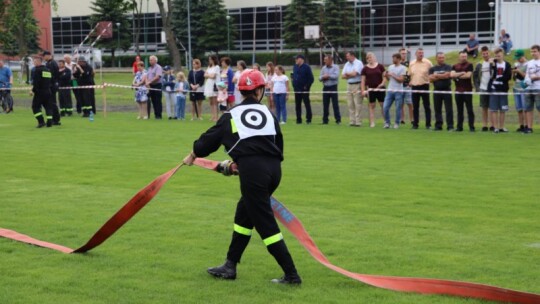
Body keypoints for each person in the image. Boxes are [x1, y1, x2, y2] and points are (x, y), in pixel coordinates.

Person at [182, 69, 301, 285]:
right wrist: (243, 163)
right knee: (243, 216)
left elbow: (206, 143)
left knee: (266, 225)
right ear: (260, 90)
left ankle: (292, 275)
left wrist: (193, 155)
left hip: (254, 174)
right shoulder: (269, 114)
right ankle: (230, 265)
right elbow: (276, 145)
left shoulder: (231, 115)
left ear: (241, 91)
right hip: (274, 170)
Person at [488, 48, 512, 133]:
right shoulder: (492, 64)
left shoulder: (507, 64)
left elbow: (508, 77)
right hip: (494, 89)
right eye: (496, 55)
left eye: (499, 55)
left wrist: (498, 79)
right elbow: (492, 76)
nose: (497, 57)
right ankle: (495, 127)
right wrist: (493, 65)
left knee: (503, 109)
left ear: (503, 55)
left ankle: (502, 127)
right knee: (494, 109)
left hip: (503, 89)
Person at [428, 52, 454, 131]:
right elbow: (431, 79)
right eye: (440, 58)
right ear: (436, 58)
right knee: (437, 109)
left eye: (443, 57)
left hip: (447, 90)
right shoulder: (432, 69)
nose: (441, 59)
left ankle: (450, 126)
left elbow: (447, 75)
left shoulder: (448, 66)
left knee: (449, 109)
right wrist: (442, 76)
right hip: (437, 91)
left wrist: (436, 75)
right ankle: (438, 125)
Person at [409, 48, 433, 129]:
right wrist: (410, 82)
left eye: (422, 53)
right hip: (414, 86)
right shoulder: (412, 63)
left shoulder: (428, 62)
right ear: (415, 54)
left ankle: (428, 124)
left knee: (427, 106)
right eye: (419, 53)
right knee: (415, 106)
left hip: (424, 85)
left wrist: (430, 80)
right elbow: (410, 74)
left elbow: (432, 73)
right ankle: (415, 124)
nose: (421, 54)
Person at [451, 51, 475, 132]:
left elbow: (468, 76)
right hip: (458, 91)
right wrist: (461, 73)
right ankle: (459, 127)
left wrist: (457, 76)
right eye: (462, 56)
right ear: (459, 57)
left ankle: (471, 127)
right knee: (459, 110)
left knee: (470, 110)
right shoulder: (454, 66)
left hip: (467, 90)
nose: (464, 58)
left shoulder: (470, 65)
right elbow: (452, 75)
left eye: (465, 56)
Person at [361, 52, 386, 128]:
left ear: (374, 57)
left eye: (371, 57)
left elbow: (385, 77)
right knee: (372, 105)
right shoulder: (365, 68)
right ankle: (372, 123)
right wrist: (363, 90)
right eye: (368, 58)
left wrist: (382, 84)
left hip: (380, 89)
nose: (369, 59)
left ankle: (386, 122)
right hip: (370, 89)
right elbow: (363, 81)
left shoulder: (380, 66)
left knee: (383, 105)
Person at [382, 53, 406, 129]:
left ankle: (397, 123)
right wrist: (386, 76)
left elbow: (401, 80)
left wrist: (393, 75)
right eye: (392, 58)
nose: (393, 60)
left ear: (399, 59)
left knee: (398, 108)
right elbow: (389, 79)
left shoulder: (403, 68)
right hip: (390, 90)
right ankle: (387, 123)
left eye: (394, 58)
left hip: (398, 91)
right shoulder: (390, 67)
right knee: (385, 107)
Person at [473, 46, 493, 131]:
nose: (485, 55)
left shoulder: (493, 62)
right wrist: (477, 88)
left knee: (492, 108)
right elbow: (475, 77)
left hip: (492, 88)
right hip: (483, 88)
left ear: (489, 53)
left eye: (487, 53)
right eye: (483, 54)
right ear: (481, 54)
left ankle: (493, 125)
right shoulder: (479, 64)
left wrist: (492, 63)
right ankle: (484, 125)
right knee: (484, 107)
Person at [30, 56, 53, 128]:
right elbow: (50, 81)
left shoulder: (37, 70)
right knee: (48, 107)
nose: (33, 63)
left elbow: (36, 82)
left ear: (38, 62)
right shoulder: (48, 70)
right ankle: (49, 122)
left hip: (39, 92)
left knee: (35, 107)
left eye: (34, 61)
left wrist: (32, 90)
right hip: (48, 91)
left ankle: (41, 122)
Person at [342, 51, 364, 127]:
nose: (347, 58)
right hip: (349, 85)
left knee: (357, 103)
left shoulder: (358, 63)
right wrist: (350, 74)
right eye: (346, 56)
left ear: (353, 56)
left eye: (348, 56)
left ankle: (358, 121)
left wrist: (348, 74)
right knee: (350, 104)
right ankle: (352, 121)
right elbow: (342, 76)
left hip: (357, 84)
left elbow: (355, 74)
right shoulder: (346, 64)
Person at [319, 54, 341, 125]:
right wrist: (323, 77)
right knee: (325, 104)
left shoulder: (336, 67)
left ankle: (338, 120)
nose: (324, 61)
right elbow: (320, 78)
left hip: (333, 87)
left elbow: (336, 76)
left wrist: (327, 76)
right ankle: (325, 120)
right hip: (325, 87)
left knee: (335, 104)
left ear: (330, 60)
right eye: (324, 60)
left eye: (326, 60)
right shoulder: (323, 68)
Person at [292, 54, 314, 124]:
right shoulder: (295, 67)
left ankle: (308, 119)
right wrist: (294, 84)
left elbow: (311, 79)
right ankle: (298, 119)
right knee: (297, 105)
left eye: (297, 59)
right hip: (296, 89)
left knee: (307, 104)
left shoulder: (307, 67)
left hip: (304, 90)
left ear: (301, 59)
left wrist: (306, 86)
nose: (295, 60)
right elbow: (294, 76)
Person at [524, 44, 540, 134]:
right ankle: (529, 128)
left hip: (538, 88)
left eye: (535, 51)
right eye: (531, 51)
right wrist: (526, 82)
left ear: (539, 51)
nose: (533, 53)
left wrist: (536, 78)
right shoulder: (529, 62)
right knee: (528, 108)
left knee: (539, 107)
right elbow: (527, 74)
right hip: (529, 88)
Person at [43, 51, 61, 125]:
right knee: (51, 103)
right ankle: (54, 119)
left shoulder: (51, 63)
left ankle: (56, 119)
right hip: (52, 85)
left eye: (44, 56)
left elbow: (51, 76)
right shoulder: (49, 63)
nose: (44, 58)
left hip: (52, 86)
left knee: (52, 103)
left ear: (48, 55)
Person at [512, 49, 528, 132]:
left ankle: (526, 125)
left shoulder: (528, 64)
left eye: (519, 57)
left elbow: (527, 76)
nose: (517, 59)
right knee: (519, 108)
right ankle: (521, 125)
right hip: (516, 88)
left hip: (524, 88)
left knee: (525, 108)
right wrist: (513, 72)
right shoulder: (516, 64)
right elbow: (514, 78)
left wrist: (518, 71)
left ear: (523, 56)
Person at [204, 55, 220, 121]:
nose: (209, 61)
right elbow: (205, 75)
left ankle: (216, 116)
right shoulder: (209, 67)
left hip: (214, 85)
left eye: (210, 59)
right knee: (211, 101)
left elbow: (213, 76)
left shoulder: (217, 67)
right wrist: (209, 75)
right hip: (209, 85)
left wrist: (208, 75)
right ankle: (212, 116)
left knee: (215, 101)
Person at [399, 48, 414, 125]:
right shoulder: (397, 64)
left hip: (408, 86)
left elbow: (412, 73)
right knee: (401, 103)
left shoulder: (409, 63)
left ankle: (412, 119)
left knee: (410, 103)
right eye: (402, 53)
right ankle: (402, 119)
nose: (403, 54)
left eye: (405, 53)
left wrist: (411, 81)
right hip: (399, 86)